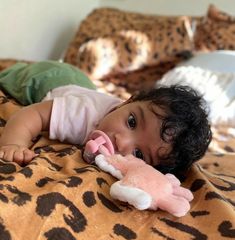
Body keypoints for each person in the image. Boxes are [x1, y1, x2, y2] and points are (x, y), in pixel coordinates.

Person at [0, 61, 212, 177]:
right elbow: (32, 114)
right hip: (49, 77)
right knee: (13, 76)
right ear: (126, 102)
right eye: (131, 122)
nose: (122, 141)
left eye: (139, 153)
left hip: (82, 84)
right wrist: (14, 143)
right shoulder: (81, 113)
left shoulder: (136, 112)